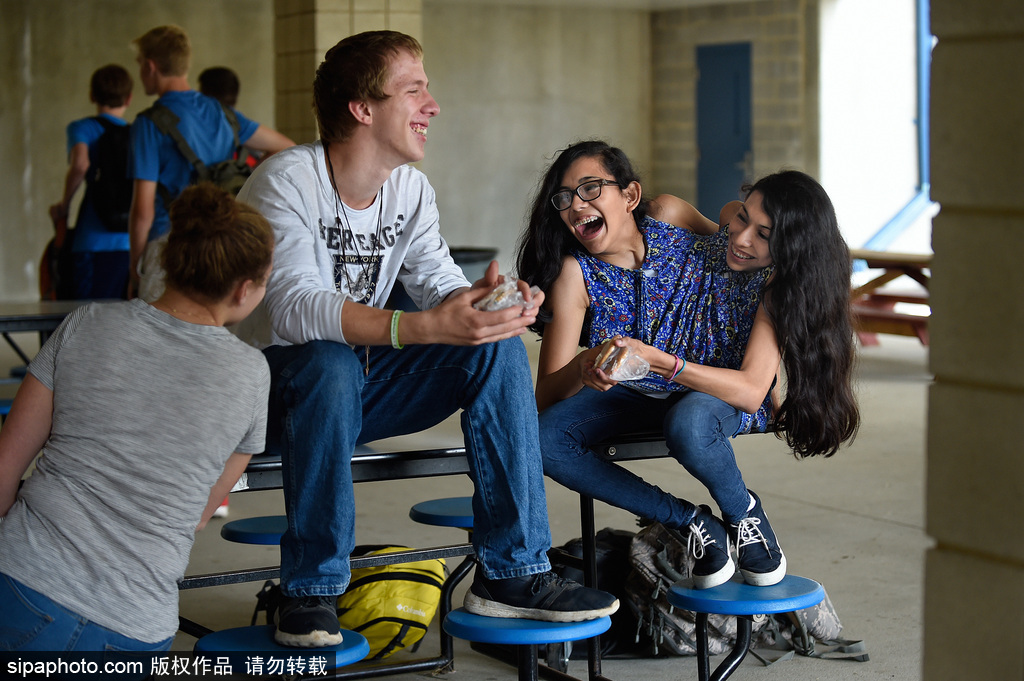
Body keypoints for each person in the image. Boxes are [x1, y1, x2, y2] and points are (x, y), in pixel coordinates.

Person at [236, 31, 617, 648]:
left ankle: (513, 575)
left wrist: (490, 305)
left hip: (356, 388)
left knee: (493, 350)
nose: (432, 105)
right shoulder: (286, 181)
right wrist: (418, 326)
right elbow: (292, 308)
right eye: (414, 89)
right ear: (363, 108)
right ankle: (309, 589)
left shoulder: (410, 191)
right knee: (327, 361)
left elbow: (437, 279)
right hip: (265, 400)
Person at [515, 140, 860, 590]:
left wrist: (751, 366)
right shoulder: (575, 274)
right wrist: (584, 366)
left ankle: (743, 514)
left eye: (591, 188)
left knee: (692, 419)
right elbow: (543, 395)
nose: (577, 204)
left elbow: (736, 243)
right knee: (542, 439)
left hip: (715, 394)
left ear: (631, 196)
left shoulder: (671, 217)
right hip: (637, 395)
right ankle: (689, 522)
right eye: (565, 198)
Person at [0, 183, 274, 655]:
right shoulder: (252, 376)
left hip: (21, 584)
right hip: (135, 628)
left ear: (170, 260)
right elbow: (198, 514)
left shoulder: (86, 324)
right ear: (244, 288)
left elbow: (5, 467)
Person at [129, 25, 295, 301]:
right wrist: (250, 179)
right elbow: (284, 146)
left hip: (170, 246)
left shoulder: (148, 124)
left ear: (150, 66)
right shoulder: (220, 111)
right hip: (220, 246)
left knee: (164, 337)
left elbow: (142, 211)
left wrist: (136, 266)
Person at [49, 64, 134, 300]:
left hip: (92, 239)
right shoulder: (137, 132)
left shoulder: (83, 128)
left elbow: (80, 165)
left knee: (86, 317)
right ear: (129, 98)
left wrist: (64, 206)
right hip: (130, 241)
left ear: (92, 95)